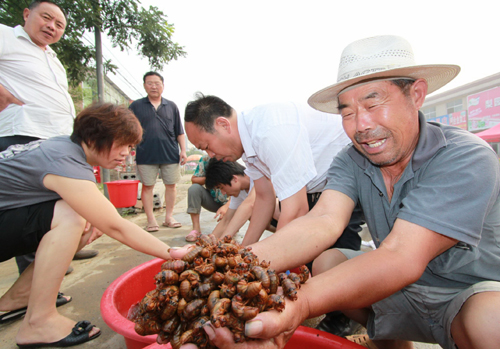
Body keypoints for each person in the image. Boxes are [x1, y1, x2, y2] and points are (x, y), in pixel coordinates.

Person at [176, 35, 500, 349]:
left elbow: (401, 256)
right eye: (346, 112)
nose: (360, 125)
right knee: (328, 261)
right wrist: (229, 266)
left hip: (462, 295)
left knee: (487, 321)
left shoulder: (466, 156)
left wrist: (299, 304)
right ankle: (391, 343)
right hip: (401, 294)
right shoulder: (351, 159)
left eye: (373, 102)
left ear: (416, 94)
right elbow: (322, 221)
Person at [184, 94, 365, 336]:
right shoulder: (249, 148)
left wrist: (266, 270)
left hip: (350, 176)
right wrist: (240, 258)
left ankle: (346, 316)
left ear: (223, 125)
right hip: (317, 185)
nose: (210, 156)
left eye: (206, 146)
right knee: (309, 255)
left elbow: (296, 208)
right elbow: (264, 199)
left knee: (332, 258)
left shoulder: (270, 130)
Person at [0, 103, 176, 348]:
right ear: (94, 138)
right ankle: (38, 322)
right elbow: (117, 226)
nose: (127, 153)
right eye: (123, 144)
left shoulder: (63, 147)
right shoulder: (64, 160)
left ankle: (18, 298)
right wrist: (173, 253)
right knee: (73, 216)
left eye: (131, 146)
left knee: (88, 220)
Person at [0, 0, 98, 279]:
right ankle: (37, 283)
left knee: (63, 205)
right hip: (24, 136)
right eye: (47, 18)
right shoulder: (6, 36)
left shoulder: (52, 57)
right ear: (27, 14)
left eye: (59, 25)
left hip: (54, 139)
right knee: (32, 211)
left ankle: (63, 249)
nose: (52, 27)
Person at [129, 71, 187, 232]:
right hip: (145, 154)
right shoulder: (136, 106)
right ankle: (151, 220)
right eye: (150, 83)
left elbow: (179, 131)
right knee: (147, 186)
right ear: (144, 85)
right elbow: (127, 129)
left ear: (163, 85)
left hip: (170, 153)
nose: (154, 86)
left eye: (157, 83)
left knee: (171, 186)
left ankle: (169, 217)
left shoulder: (172, 106)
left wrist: (183, 150)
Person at [204, 158, 279, 240]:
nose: (223, 193)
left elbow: (250, 204)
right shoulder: (239, 193)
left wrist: (223, 240)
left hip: (287, 211)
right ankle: (283, 232)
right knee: (253, 215)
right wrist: (210, 241)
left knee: (267, 208)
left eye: (222, 188)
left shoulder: (258, 175)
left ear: (235, 179)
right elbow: (226, 220)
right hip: (279, 222)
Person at [185, 154, 230, 241]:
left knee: (226, 234)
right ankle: (196, 229)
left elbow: (239, 191)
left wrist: (227, 206)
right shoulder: (206, 159)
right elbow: (194, 180)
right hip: (213, 200)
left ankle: (231, 223)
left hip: (230, 203)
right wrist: (211, 178)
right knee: (194, 189)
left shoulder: (230, 157)